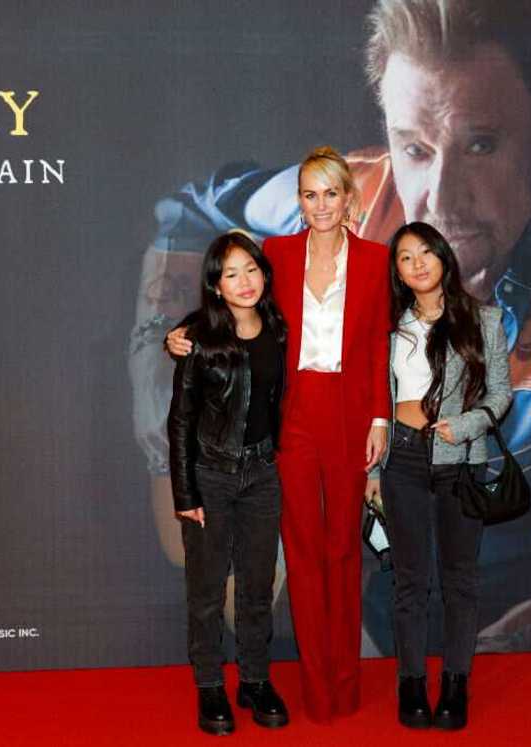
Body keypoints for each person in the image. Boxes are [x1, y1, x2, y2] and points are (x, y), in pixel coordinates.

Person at [133, 0, 531, 653]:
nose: (440, 201)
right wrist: (173, 444)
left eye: (481, 144)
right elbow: (190, 208)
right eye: (414, 147)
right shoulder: (349, 203)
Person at [169, 147, 391, 722]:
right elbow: (237, 305)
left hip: (349, 412)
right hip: (290, 415)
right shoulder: (278, 253)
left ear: (349, 199)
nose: (320, 205)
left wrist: (379, 420)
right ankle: (318, 688)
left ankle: (346, 683)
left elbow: (376, 349)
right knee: (302, 552)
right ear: (299, 202)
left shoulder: (374, 260)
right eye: (309, 195)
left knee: (344, 549)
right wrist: (183, 331)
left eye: (330, 194)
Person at [365, 222, 511, 730]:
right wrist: (373, 468)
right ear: (398, 273)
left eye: (426, 252)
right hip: (401, 460)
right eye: (405, 258)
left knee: (459, 581)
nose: (418, 263)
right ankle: (411, 684)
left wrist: (466, 425)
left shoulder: (484, 320)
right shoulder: (389, 327)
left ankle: (455, 683)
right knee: (409, 581)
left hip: (461, 462)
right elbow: (375, 401)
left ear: (444, 256)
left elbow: (500, 395)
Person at [167, 231, 290, 735]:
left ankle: (255, 679)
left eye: (251, 270)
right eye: (230, 274)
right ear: (215, 285)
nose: (244, 282)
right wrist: (185, 494)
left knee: (258, 586)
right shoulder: (199, 336)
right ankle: (210, 685)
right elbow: (179, 421)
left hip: (263, 473)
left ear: (265, 274)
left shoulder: (280, 327)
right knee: (208, 590)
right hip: (210, 476)